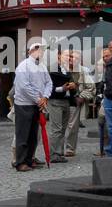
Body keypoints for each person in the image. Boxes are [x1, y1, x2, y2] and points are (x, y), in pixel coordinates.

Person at [11, 40, 52, 171]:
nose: (40, 52)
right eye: (37, 49)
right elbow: (24, 86)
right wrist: (39, 99)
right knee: (23, 134)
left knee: (33, 134)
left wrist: (45, 97)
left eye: (41, 50)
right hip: (24, 104)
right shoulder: (23, 66)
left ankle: (29, 159)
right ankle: (20, 162)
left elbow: (49, 82)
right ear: (30, 51)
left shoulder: (42, 66)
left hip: (36, 104)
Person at [48, 49, 89, 162]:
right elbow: (47, 87)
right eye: (67, 55)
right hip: (55, 100)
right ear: (59, 56)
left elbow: (72, 85)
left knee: (62, 129)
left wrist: (73, 86)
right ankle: (54, 154)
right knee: (56, 129)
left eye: (70, 56)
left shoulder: (66, 69)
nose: (69, 58)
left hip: (66, 101)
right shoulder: (52, 68)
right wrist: (63, 88)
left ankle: (59, 153)